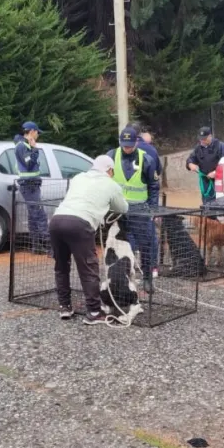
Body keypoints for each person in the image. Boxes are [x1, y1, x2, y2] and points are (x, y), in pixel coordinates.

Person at [50, 155, 128, 325]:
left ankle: (64, 307)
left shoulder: (78, 177)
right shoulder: (111, 184)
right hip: (80, 223)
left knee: (61, 267)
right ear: (109, 169)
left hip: (57, 220)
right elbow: (122, 207)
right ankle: (93, 311)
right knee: (88, 268)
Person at [107, 126, 158, 293]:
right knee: (118, 243)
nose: (127, 148)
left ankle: (147, 279)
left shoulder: (147, 159)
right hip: (117, 210)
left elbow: (153, 186)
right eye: (124, 144)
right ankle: (119, 277)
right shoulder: (111, 156)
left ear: (136, 142)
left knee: (146, 244)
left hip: (140, 210)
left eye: (130, 144)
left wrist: (152, 210)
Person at [14, 121, 49, 255]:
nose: (38, 135)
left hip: (32, 185)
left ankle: (36, 245)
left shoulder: (24, 145)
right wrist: (34, 149)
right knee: (40, 215)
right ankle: (50, 246)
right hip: (29, 185)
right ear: (32, 131)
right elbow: (29, 164)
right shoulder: (22, 146)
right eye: (37, 132)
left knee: (33, 216)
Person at [136, 127, 162, 277]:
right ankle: (152, 267)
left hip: (128, 204)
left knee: (130, 234)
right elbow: (157, 174)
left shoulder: (118, 152)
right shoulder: (152, 151)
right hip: (147, 201)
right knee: (149, 232)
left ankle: (131, 265)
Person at [186, 126, 224, 205]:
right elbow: (191, 159)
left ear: (210, 136)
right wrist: (190, 164)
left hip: (219, 180)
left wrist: (215, 173)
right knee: (206, 202)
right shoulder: (198, 148)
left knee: (219, 202)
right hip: (205, 181)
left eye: (204, 139)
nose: (202, 141)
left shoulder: (220, 146)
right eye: (200, 139)